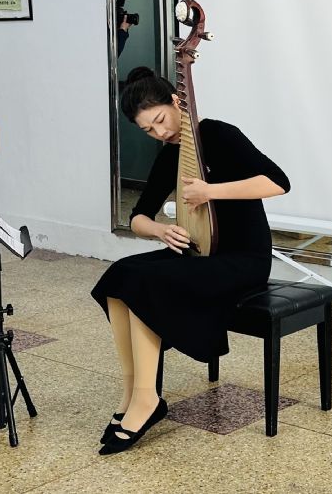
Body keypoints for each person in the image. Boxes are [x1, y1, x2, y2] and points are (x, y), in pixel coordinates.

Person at [91, 66, 290, 455]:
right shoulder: (171, 155)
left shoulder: (218, 134)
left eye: (160, 120)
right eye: (148, 130)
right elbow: (138, 216)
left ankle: (147, 400)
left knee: (145, 282)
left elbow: (278, 182)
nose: (160, 132)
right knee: (119, 275)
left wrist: (210, 191)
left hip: (244, 259)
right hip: (201, 253)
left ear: (176, 102)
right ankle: (132, 392)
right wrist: (160, 230)